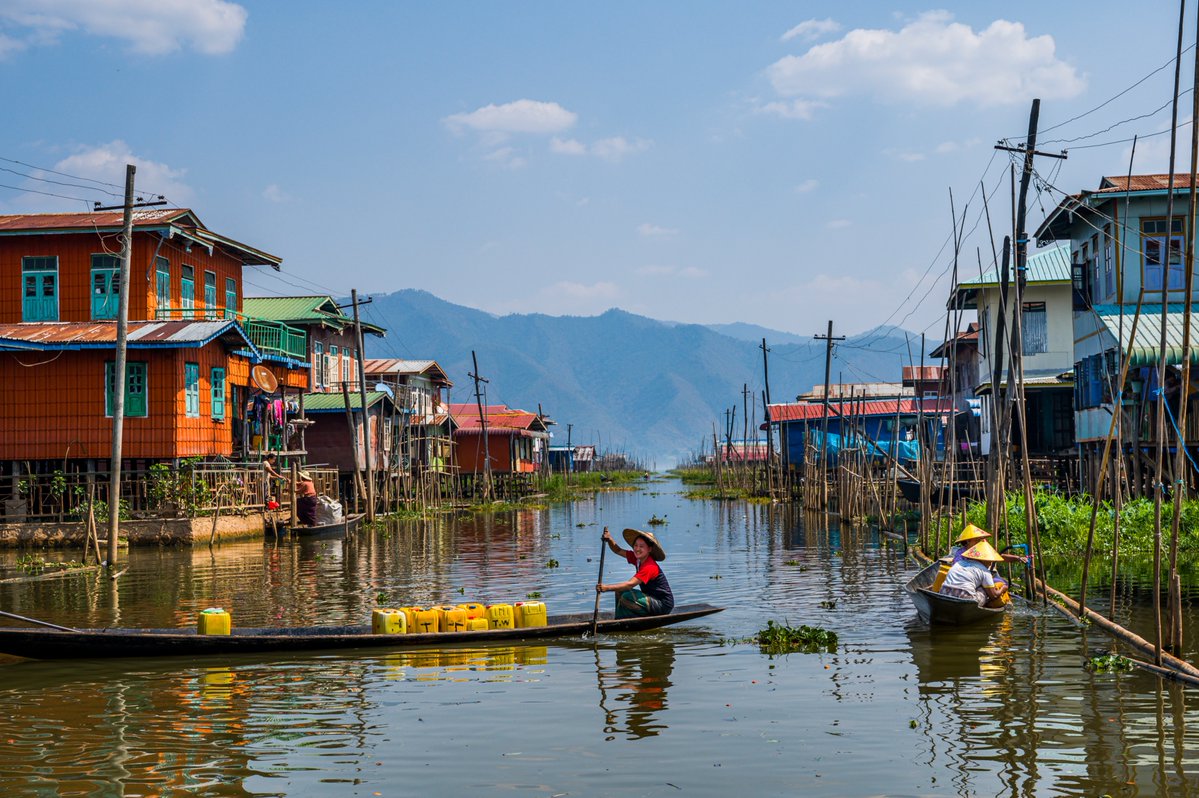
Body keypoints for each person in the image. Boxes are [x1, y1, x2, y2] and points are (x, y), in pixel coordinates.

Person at [598, 527, 674, 618]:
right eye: (636, 545)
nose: (637, 549)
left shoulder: (650, 566)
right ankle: (619, 618)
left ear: (649, 549)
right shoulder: (637, 559)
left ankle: (642, 617)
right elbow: (617, 550)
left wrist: (606, 588)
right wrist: (610, 539)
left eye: (641, 546)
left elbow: (630, 584)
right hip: (650, 598)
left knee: (627, 596)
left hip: (663, 604)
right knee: (619, 591)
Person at [938, 540, 1008, 606]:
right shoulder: (985, 571)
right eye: (990, 561)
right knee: (985, 590)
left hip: (943, 593)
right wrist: (1003, 588)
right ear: (984, 560)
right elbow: (994, 595)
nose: (990, 564)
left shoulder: (959, 563)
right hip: (965, 599)